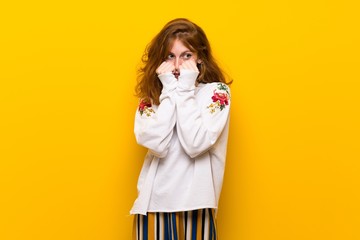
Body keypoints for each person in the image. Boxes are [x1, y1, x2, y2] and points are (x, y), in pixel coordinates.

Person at [130, 18, 232, 240]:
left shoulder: (217, 92)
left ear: (200, 58)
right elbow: (157, 143)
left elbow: (196, 143)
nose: (177, 66)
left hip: (197, 204)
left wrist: (185, 87)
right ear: (161, 60)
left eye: (186, 55)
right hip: (152, 206)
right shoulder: (151, 99)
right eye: (170, 56)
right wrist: (169, 91)